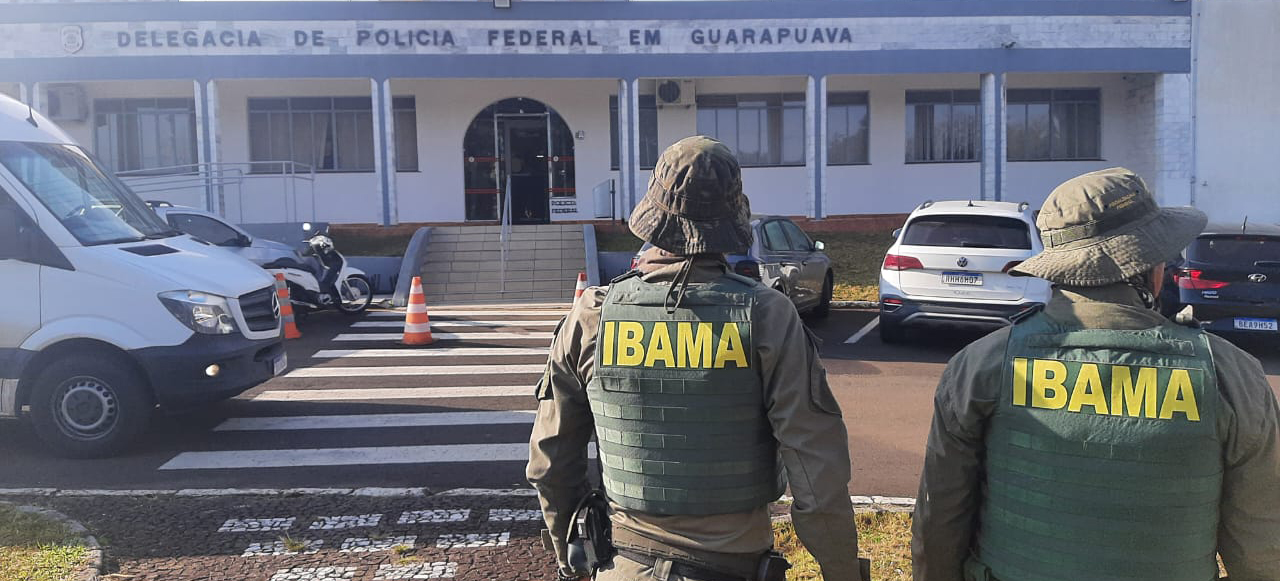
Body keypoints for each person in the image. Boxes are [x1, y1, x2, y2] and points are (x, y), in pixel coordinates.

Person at [912, 167, 1280, 581]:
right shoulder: (1232, 376)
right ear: (1152, 268)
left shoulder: (981, 366)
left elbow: (939, 521)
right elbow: (1261, 545)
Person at [528, 136, 863, 581]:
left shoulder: (592, 315)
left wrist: (570, 559)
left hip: (625, 564)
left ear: (653, 212)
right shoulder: (767, 315)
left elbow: (550, 464)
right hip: (736, 567)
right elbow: (816, 471)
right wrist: (842, 571)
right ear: (732, 213)